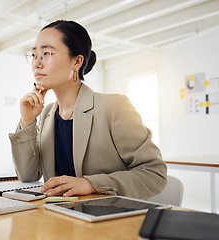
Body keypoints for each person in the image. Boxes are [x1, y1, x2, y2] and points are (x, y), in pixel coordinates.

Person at [9, 20, 167, 200]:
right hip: (58, 217)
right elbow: (28, 176)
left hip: (107, 220)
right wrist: (27, 121)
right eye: (34, 54)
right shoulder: (46, 114)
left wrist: (91, 184)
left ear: (77, 61)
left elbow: (155, 174)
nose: (37, 63)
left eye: (47, 53)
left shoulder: (114, 107)